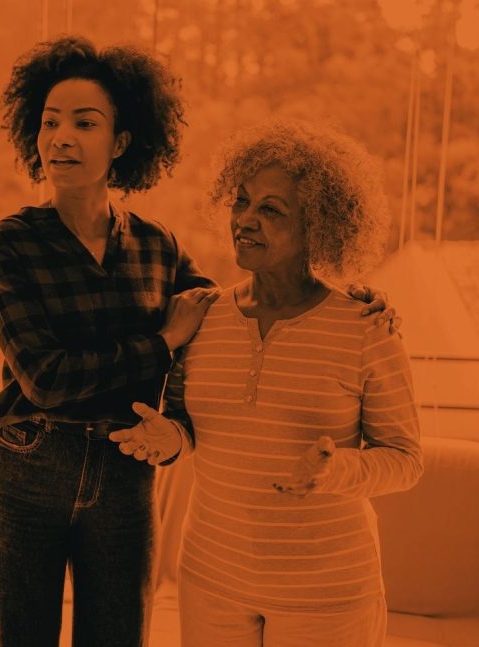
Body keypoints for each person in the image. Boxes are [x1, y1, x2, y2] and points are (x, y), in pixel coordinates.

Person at [0, 37, 396, 647]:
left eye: (84, 123)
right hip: (27, 467)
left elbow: (236, 307)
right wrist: (161, 341)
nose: (61, 137)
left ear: (122, 143)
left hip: (127, 474)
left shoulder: (158, 246)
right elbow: (45, 379)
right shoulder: (8, 243)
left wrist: (344, 291)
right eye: (49, 122)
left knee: (121, 635)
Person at [111, 118, 423, 647]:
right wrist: (170, 438)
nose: (245, 220)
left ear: (318, 228)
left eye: (271, 209)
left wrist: (337, 470)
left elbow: (406, 459)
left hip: (327, 593)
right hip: (211, 578)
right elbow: (189, 425)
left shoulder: (365, 327)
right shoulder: (204, 317)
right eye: (241, 202)